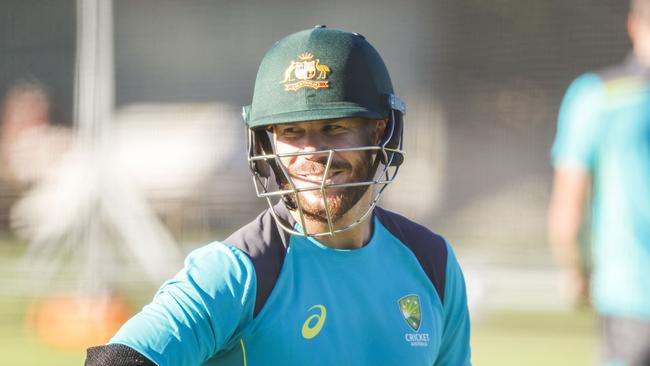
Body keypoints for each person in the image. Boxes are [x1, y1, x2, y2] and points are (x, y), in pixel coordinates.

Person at [85, 26, 471, 366]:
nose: (312, 153)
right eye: (291, 132)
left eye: (334, 128)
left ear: (379, 132)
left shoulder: (432, 262)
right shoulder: (236, 272)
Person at [548, 1, 650, 364]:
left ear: (634, 25)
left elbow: (568, 213)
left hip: (630, 298)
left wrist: (575, 272)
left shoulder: (597, 96)